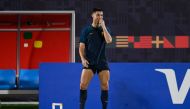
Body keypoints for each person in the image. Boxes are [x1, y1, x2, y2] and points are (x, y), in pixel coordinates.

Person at [79, 8, 112, 109]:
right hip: (90, 62)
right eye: (98, 15)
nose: (100, 17)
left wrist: (103, 26)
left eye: (102, 15)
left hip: (102, 62)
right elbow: (81, 47)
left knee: (105, 85)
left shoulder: (104, 29)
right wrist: (83, 59)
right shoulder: (86, 30)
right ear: (92, 16)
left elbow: (109, 40)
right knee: (82, 85)